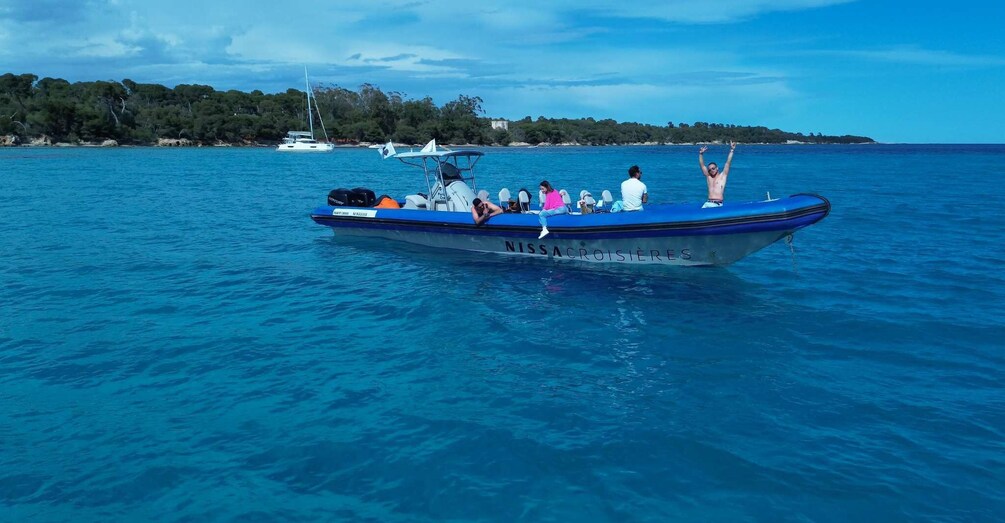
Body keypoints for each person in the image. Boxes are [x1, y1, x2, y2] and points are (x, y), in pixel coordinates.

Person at [699, 141, 736, 208]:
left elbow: (727, 163)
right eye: (709, 169)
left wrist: (732, 150)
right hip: (708, 203)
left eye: (713, 168)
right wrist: (701, 154)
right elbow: (702, 166)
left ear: (717, 168)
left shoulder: (722, 176)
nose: (711, 170)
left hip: (717, 204)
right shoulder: (709, 177)